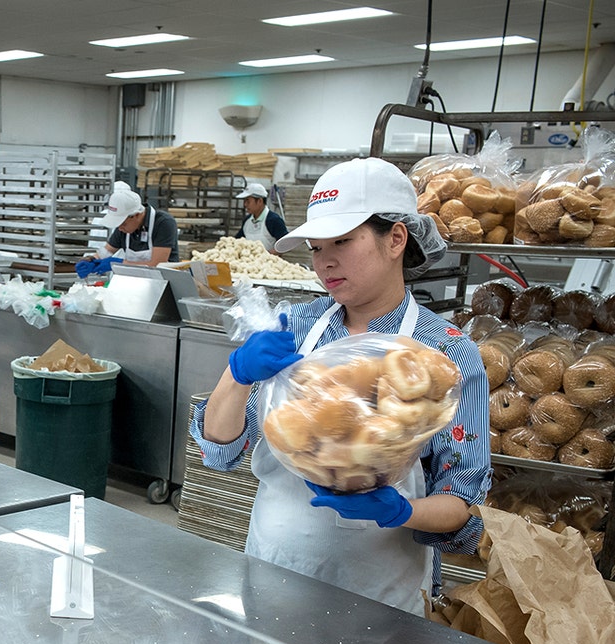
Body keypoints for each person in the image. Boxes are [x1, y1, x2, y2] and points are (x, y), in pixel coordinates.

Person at [190, 158, 490, 614]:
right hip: (277, 568)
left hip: (382, 590)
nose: (324, 261)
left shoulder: (445, 353)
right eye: (314, 247)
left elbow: (463, 502)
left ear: (395, 239)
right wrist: (235, 374)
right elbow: (219, 449)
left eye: (343, 242)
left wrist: (404, 510)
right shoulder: (293, 328)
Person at [77, 181, 178, 277]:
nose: (120, 228)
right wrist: (91, 260)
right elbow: (106, 252)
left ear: (137, 215)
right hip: (136, 284)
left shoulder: (163, 223)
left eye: (123, 223)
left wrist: (119, 263)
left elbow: (156, 266)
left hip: (165, 284)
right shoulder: (124, 228)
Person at [234, 182, 288, 253]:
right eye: (244, 201)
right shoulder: (247, 221)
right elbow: (237, 240)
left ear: (259, 201)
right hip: (248, 262)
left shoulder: (274, 220)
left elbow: (285, 245)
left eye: (248, 201)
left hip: (268, 262)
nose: (245, 204)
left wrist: (268, 254)